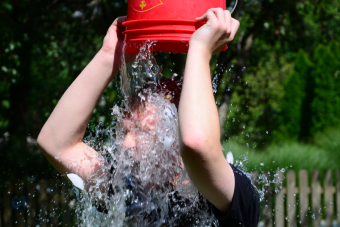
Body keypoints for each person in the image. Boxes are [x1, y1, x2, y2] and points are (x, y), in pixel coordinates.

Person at [37, 8, 260, 226]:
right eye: (125, 130)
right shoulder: (129, 189)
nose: (126, 143)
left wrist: (201, 50)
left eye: (143, 131)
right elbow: (56, 144)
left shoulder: (231, 194)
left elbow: (196, 144)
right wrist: (109, 55)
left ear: (177, 137)